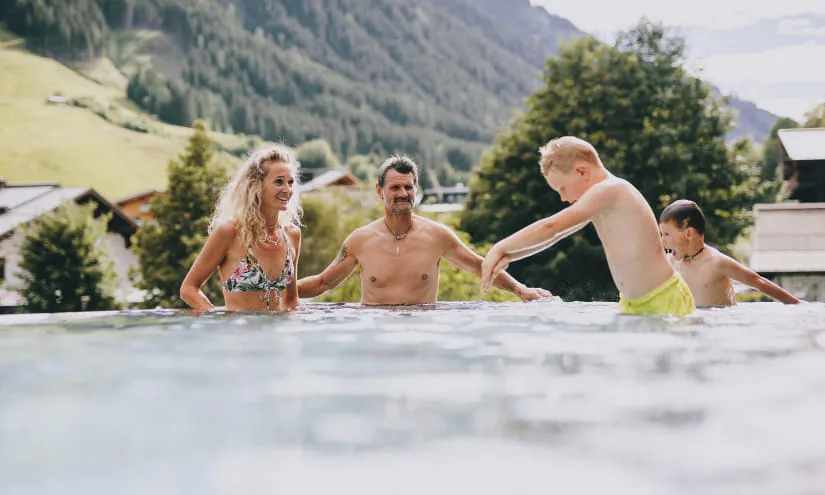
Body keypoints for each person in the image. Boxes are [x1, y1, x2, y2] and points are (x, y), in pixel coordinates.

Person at [480, 136, 694, 316]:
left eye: (562, 188)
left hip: (664, 298)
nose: (563, 198)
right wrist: (511, 255)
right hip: (635, 303)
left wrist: (500, 248)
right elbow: (556, 235)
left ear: (582, 171)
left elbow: (551, 227)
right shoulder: (600, 200)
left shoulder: (611, 189)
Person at [297, 155, 552, 304]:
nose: (403, 194)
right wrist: (274, 291)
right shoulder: (360, 240)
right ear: (379, 191)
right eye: (395, 188)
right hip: (374, 334)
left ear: (416, 190)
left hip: (422, 332)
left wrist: (520, 289)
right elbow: (322, 283)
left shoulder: (437, 235)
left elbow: (480, 266)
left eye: (408, 187)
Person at [180, 145, 302, 311]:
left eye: (290, 182)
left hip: (279, 334)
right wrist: (215, 318)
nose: (287, 189)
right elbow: (189, 288)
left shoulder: (292, 234)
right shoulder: (230, 231)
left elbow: (291, 300)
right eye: (279, 182)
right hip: (238, 334)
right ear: (255, 185)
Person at [659, 199, 800, 307]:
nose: (662, 241)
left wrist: (796, 305)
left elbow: (758, 282)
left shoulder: (716, 263)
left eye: (666, 234)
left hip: (718, 325)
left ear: (689, 233)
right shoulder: (672, 262)